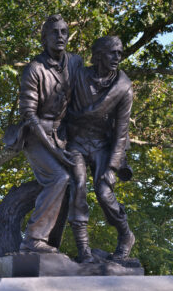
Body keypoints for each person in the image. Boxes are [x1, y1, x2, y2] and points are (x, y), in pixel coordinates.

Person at [67, 36, 135, 262]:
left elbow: (122, 132)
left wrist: (113, 167)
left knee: (104, 193)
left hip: (102, 145)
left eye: (120, 53)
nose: (118, 57)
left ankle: (126, 236)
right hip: (76, 141)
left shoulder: (124, 87)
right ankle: (83, 250)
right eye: (112, 52)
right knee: (77, 186)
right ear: (98, 56)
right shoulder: (78, 76)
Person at [18, 14, 82, 253]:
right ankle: (32, 239)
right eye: (54, 32)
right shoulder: (34, 70)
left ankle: (50, 243)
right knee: (59, 178)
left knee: (78, 181)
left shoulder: (74, 62)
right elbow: (29, 115)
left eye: (64, 32)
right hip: (36, 136)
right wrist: (53, 148)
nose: (60, 36)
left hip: (64, 133)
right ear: (43, 39)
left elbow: (84, 96)